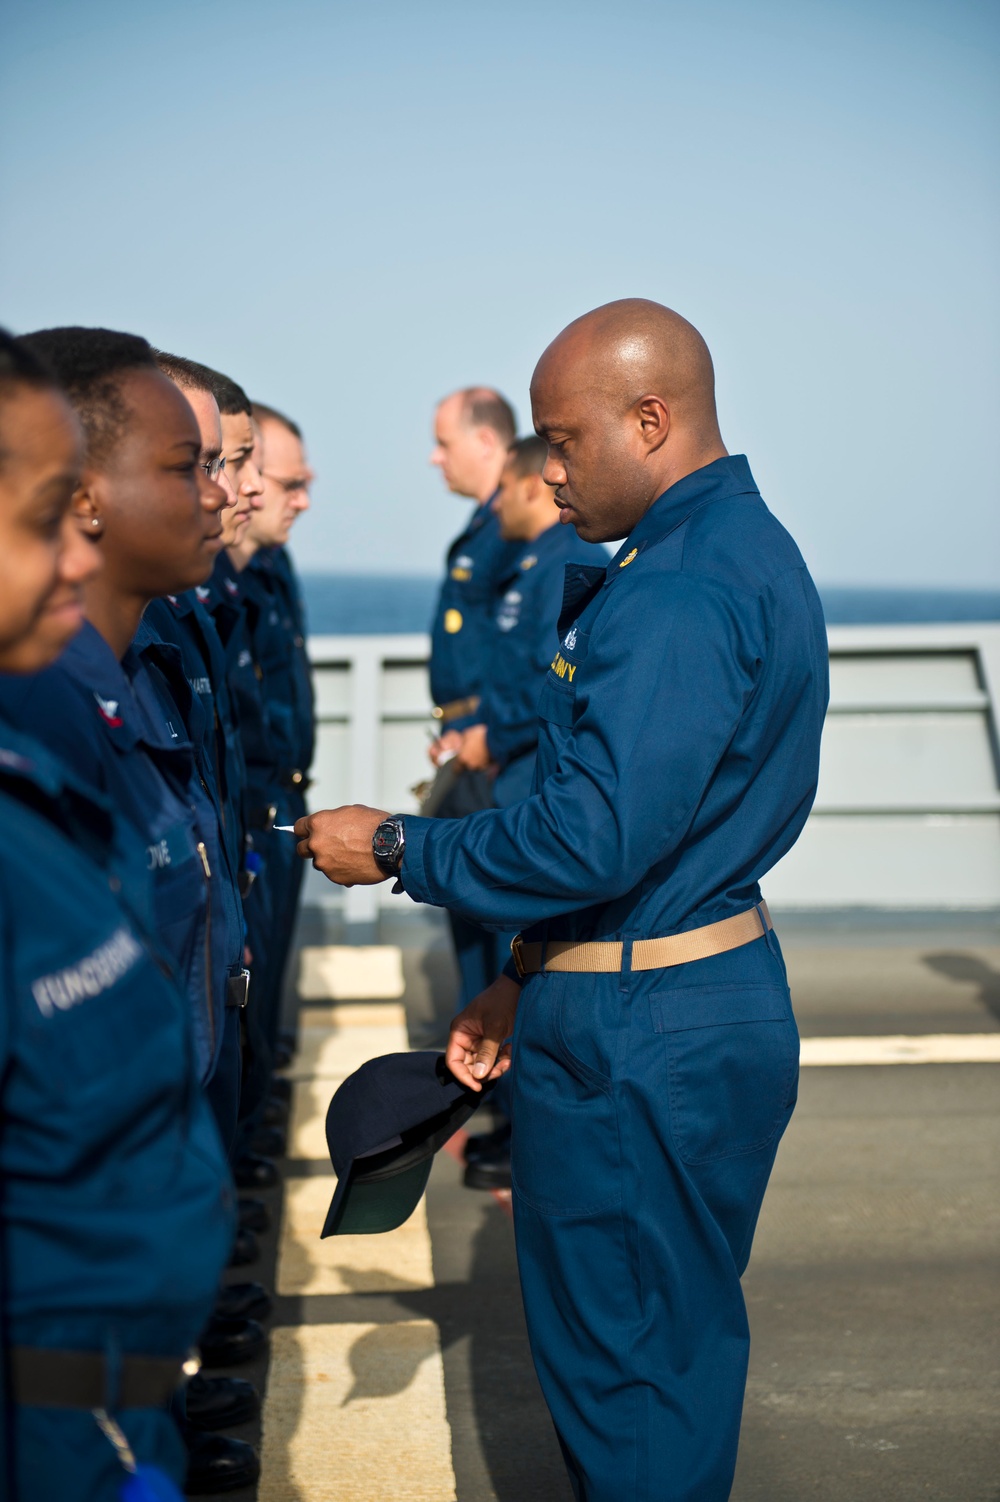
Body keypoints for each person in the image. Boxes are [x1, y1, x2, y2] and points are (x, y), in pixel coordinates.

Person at [292, 298, 829, 1502]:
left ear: (651, 420)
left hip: (640, 1032)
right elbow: (657, 841)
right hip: (691, 980)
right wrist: (523, 975)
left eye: (566, 440)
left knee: (628, 1383)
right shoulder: (745, 547)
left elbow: (594, 835)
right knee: (668, 1348)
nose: (548, 469)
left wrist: (396, 844)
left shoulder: (676, 586)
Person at [0, 328, 261, 1493]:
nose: (221, 494)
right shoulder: (46, 719)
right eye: (39, 517)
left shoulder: (62, 731)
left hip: (110, 1393)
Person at [454, 434, 607, 1192]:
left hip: (526, 777)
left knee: (522, 950)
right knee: (502, 958)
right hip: (509, 768)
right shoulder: (533, 565)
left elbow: (550, 677)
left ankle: (523, 1125)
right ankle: (511, 1114)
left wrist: (495, 732)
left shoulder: (563, 565)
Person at [426, 387, 523, 1011]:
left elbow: (526, 653)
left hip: (495, 752)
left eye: (444, 444)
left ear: (486, 441)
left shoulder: (518, 526)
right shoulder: (487, 525)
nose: (435, 458)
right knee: (468, 913)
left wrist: (489, 731)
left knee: (501, 928)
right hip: (467, 746)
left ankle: (503, 1066)